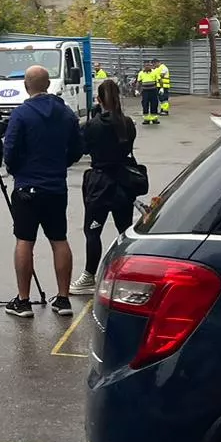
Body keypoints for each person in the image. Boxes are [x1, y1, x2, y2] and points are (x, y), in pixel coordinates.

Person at [1, 65, 85, 318]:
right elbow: (78, 148)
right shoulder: (66, 113)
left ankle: (23, 301)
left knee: (24, 241)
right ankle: (63, 299)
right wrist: (60, 165)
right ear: (48, 84)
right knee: (59, 239)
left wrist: (17, 170)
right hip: (56, 187)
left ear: (26, 85)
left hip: (27, 187)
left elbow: (10, 150)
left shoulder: (21, 114)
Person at [70, 79, 138, 296]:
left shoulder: (92, 125)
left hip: (99, 183)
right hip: (123, 182)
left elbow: (81, 149)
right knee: (125, 231)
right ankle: (128, 274)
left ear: (98, 99)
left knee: (93, 231)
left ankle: (89, 276)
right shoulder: (127, 123)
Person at [137, 59, 162, 126]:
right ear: (144, 66)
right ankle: (146, 119)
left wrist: (161, 88)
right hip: (145, 92)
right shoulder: (141, 73)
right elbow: (138, 82)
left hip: (153, 91)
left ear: (151, 66)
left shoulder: (154, 72)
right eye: (146, 65)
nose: (147, 66)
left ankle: (154, 119)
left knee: (154, 104)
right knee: (145, 105)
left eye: (149, 65)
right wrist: (137, 90)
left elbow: (159, 80)